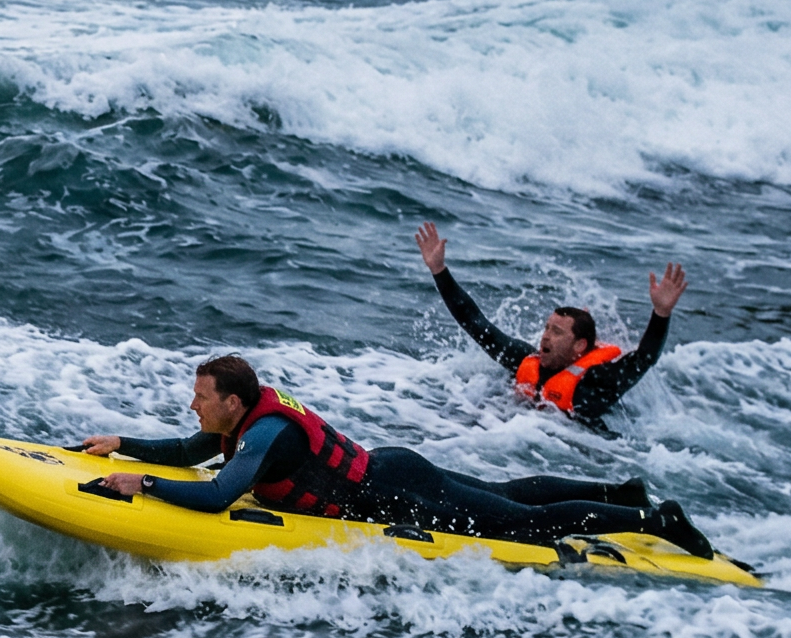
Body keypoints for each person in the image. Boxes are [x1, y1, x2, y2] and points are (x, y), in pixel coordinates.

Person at [79, 354, 716, 557]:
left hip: (401, 493)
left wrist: (144, 486)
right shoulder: (245, 420)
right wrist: (124, 445)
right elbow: (193, 450)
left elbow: (217, 495)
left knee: (521, 525)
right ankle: (621, 492)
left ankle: (654, 523)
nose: (193, 406)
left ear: (234, 401)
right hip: (394, 467)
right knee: (513, 493)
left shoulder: (268, 435)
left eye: (200, 397)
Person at [413, 222, 685, 430]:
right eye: (546, 328)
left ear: (579, 345)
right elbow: (474, 322)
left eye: (557, 332)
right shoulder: (524, 359)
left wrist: (661, 313)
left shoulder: (597, 383)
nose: (546, 336)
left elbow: (644, 358)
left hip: (583, 448)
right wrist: (439, 271)